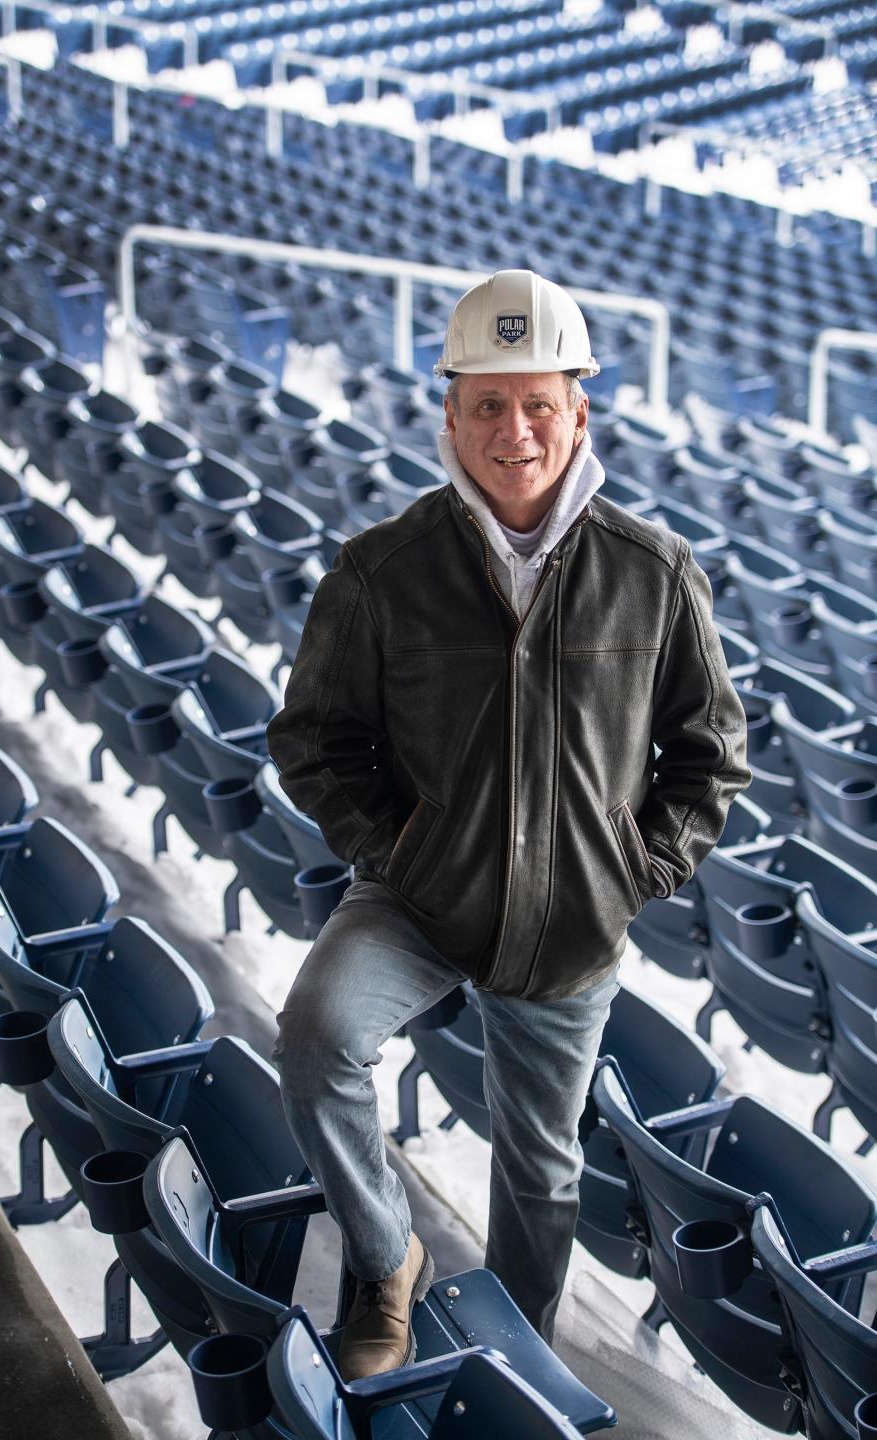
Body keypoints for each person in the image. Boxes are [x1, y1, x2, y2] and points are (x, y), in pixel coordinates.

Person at [265, 269, 751, 1381]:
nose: (514, 430)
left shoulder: (655, 573)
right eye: (487, 403)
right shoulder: (384, 568)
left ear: (581, 412)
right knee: (318, 1036)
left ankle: (514, 1355)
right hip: (421, 897)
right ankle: (389, 1261)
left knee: (542, 1175)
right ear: (449, 415)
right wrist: (397, 850)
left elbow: (711, 753)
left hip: (573, 921)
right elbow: (313, 735)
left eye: (538, 403)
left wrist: (634, 867)